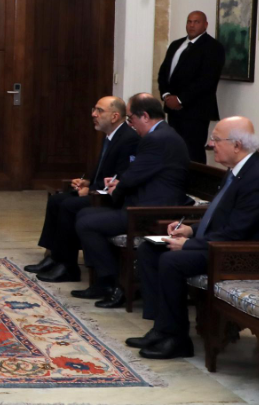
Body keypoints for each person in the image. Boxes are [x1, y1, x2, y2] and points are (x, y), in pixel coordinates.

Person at [131, 116, 259, 359]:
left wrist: (189, 244)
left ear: (236, 145)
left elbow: (236, 232)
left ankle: (177, 339)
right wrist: (190, 230)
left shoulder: (254, 177)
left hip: (235, 254)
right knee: (149, 249)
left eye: (216, 139)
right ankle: (161, 328)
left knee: (171, 261)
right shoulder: (236, 170)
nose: (210, 145)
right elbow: (219, 216)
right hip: (216, 243)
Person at [73, 93, 191, 307]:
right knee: (85, 214)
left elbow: (132, 176)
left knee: (87, 223)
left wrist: (116, 189)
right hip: (146, 204)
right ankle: (104, 280)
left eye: (131, 118)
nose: (130, 124)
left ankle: (114, 284)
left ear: (144, 116)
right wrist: (119, 185)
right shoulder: (162, 135)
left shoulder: (157, 139)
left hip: (152, 212)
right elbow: (138, 174)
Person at [28, 96, 140, 283]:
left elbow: (121, 176)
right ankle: (55, 257)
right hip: (98, 191)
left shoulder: (128, 139)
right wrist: (87, 183)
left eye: (99, 111)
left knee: (69, 206)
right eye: (93, 110)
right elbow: (103, 171)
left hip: (111, 198)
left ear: (114, 116)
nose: (93, 114)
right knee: (56, 200)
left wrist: (92, 191)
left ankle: (68, 267)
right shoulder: (110, 136)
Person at [157, 10, 225, 163]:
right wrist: (166, 95)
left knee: (192, 152)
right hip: (173, 109)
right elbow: (163, 73)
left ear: (205, 25)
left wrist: (180, 99)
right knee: (174, 149)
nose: (192, 25)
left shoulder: (213, 47)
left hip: (196, 110)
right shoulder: (176, 45)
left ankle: (195, 179)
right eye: (189, 21)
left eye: (196, 22)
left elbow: (207, 80)